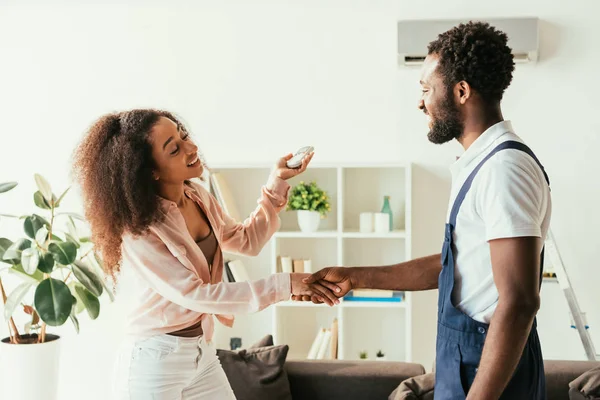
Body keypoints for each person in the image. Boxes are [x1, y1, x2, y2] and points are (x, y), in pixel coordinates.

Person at [298, 22, 551, 399]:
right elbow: (458, 263)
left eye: (426, 90)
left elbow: (519, 301)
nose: (420, 102)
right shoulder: (478, 164)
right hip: (466, 361)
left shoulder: (504, 169)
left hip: (490, 373)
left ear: (461, 91)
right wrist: (355, 275)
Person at [72, 109, 338, 399]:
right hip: (153, 364)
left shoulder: (197, 196)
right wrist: (284, 286)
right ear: (150, 170)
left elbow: (246, 240)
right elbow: (196, 294)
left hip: (200, 353)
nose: (192, 148)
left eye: (183, 135)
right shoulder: (139, 230)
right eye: (174, 149)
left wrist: (276, 182)